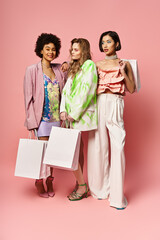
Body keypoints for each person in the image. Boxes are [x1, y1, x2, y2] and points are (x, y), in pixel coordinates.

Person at [87, 31, 135, 209]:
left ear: (116, 43)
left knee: (118, 145)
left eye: (109, 41)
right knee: (98, 145)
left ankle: (117, 197)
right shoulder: (95, 64)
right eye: (102, 42)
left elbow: (131, 88)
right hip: (99, 103)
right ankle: (100, 190)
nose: (105, 45)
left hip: (115, 102)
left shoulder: (125, 63)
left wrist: (123, 71)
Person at [24, 33, 67, 198]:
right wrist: (31, 122)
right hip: (41, 118)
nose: (51, 52)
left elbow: (72, 69)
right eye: (47, 49)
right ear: (40, 50)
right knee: (41, 152)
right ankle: (39, 180)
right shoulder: (32, 70)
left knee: (53, 151)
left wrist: (66, 64)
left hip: (57, 118)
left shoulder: (58, 69)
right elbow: (28, 98)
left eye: (53, 49)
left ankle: (50, 180)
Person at [60, 38, 98, 201]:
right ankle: (80, 182)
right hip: (70, 116)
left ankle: (82, 186)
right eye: (72, 49)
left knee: (72, 152)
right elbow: (67, 90)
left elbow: (86, 91)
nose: (72, 52)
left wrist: (73, 114)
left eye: (76, 49)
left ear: (84, 50)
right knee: (77, 150)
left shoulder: (89, 65)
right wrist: (62, 110)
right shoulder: (75, 67)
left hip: (79, 115)